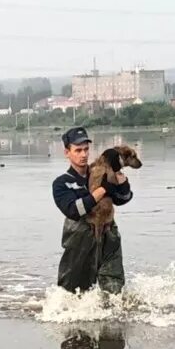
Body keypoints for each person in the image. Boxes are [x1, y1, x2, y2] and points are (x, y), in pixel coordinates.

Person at [51, 126, 134, 294]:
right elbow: (73, 210)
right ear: (67, 152)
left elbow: (124, 198)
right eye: (78, 150)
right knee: (72, 292)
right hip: (80, 238)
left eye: (86, 150)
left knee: (114, 291)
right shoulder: (62, 183)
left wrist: (118, 174)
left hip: (108, 234)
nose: (83, 155)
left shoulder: (101, 171)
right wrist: (102, 190)